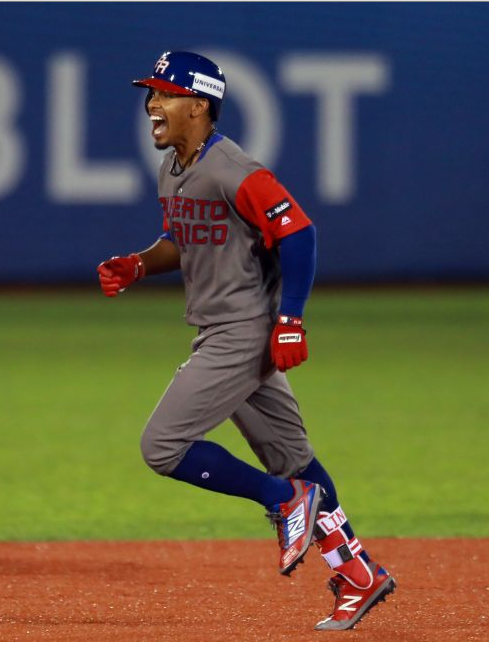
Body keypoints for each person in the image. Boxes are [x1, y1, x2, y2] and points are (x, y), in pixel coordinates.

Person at [97, 51, 395, 630]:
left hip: (241, 331)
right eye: (150, 92)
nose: (152, 103)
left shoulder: (235, 169)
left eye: (164, 93)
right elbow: (181, 239)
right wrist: (138, 264)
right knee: (295, 460)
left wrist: (291, 319)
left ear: (200, 105)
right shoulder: (176, 167)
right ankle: (359, 573)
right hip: (229, 329)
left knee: (163, 446)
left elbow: (299, 232)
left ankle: (280, 500)